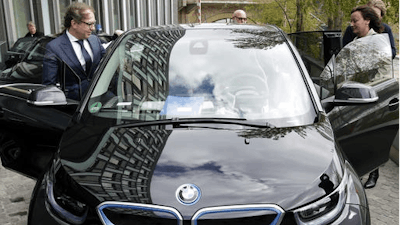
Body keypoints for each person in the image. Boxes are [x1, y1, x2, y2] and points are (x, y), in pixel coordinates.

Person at [347, 5, 385, 189]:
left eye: (355, 20)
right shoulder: (354, 41)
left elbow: (381, 72)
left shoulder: (377, 41)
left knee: (372, 137)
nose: (352, 24)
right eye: (351, 20)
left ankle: (374, 172)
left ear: (367, 21)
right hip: (356, 96)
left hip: (373, 96)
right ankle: (358, 172)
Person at [42, 2, 106, 100]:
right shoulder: (54, 47)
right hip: (73, 105)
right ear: (74, 23)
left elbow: (107, 63)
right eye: (89, 24)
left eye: (94, 23)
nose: (93, 28)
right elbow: (49, 86)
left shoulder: (95, 40)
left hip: (99, 98)